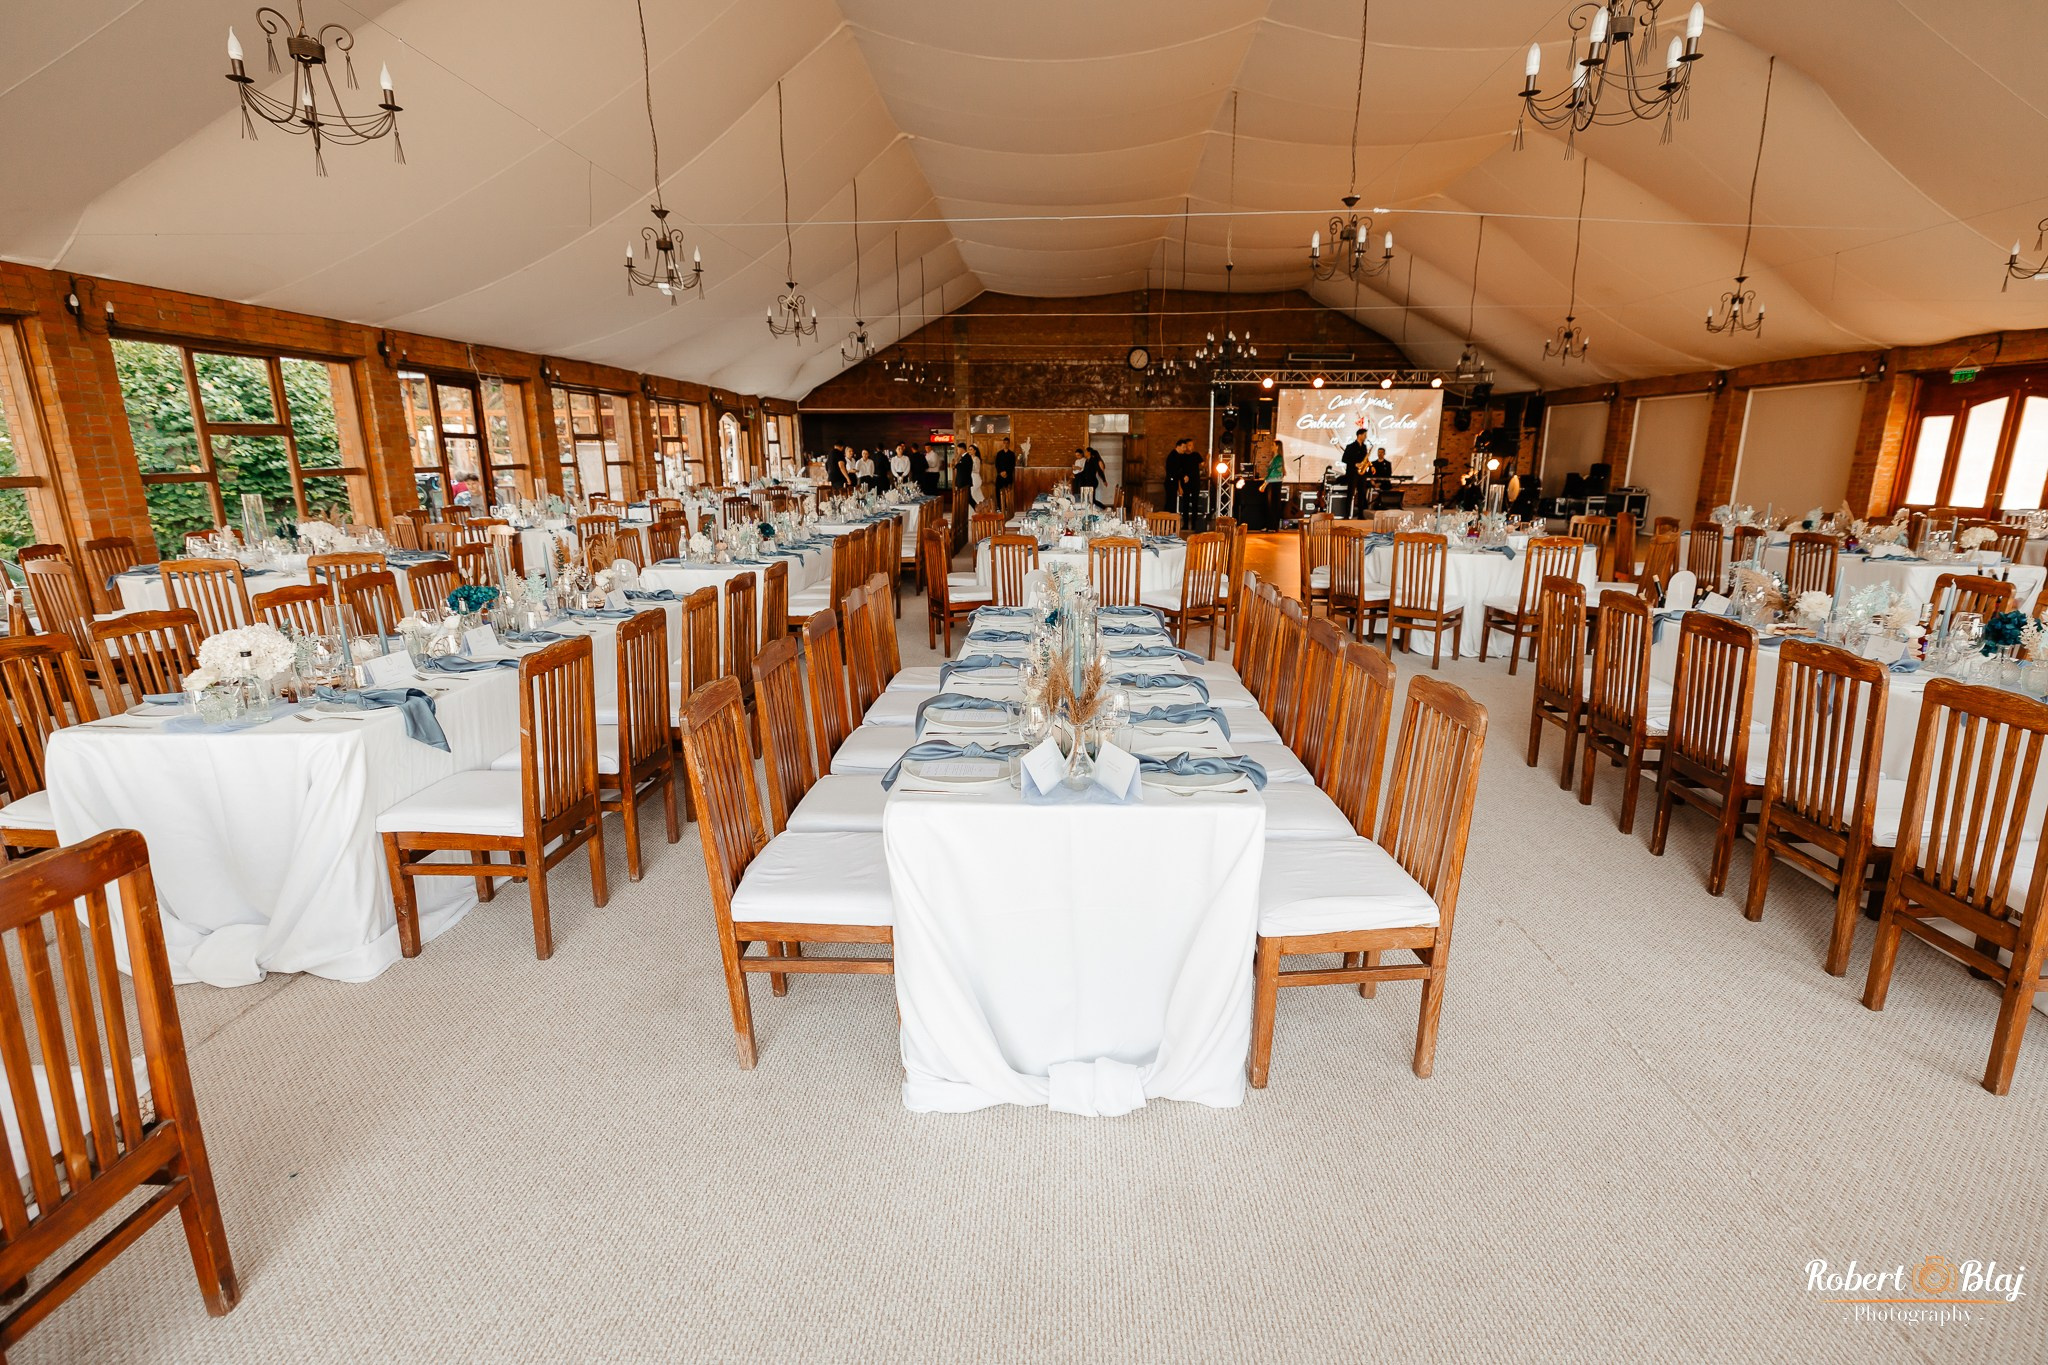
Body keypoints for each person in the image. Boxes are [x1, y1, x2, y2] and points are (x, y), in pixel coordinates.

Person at [1339, 426, 1372, 516]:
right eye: (1364, 435)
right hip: (1352, 473)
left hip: (1362, 473)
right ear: (1359, 435)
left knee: (1362, 493)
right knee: (1350, 493)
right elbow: (1344, 459)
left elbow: (1365, 459)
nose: (1366, 437)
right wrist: (1355, 464)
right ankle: (1347, 514)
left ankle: (1361, 514)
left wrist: (1368, 465)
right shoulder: (1350, 446)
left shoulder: (1364, 447)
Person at [1164, 438, 1199, 519]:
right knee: (1170, 503)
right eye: (1183, 447)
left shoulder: (1177, 456)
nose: (1185, 449)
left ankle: (1169, 520)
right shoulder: (1173, 456)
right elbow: (1175, 470)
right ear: (1178, 446)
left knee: (1172, 502)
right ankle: (1167, 520)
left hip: (1173, 481)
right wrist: (1183, 476)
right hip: (1171, 482)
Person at [994, 441, 1017, 511]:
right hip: (1000, 475)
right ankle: (999, 506)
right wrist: (1001, 472)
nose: (1005, 444)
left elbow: (1012, 465)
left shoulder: (1012, 454)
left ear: (1009, 444)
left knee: (1008, 491)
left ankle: (1008, 506)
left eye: (1007, 443)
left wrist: (1006, 472)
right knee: (998, 490)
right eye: (1004, 443)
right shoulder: (999, 454)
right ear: (1003, 443)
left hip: (1008, 476)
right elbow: (997, 464)